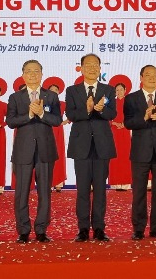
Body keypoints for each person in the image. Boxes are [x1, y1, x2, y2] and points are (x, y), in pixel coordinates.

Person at [6, 60, 62, 243]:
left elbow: (57, 120)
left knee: (44, 191)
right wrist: (30, 115)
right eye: (29, 71)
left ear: (41, 74)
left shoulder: (51, 96)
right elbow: (11, 122)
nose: (32, 74)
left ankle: (41, 230)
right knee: (21, 191)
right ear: (23, 75)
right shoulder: (15, 97)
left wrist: (42, 114)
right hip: (23, 150)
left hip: (45, 149)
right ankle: (23, 230)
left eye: (36, 71)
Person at [65, 53, 117, 242]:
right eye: (88, 65)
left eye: (96, 65)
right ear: (81, 68)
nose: (92, 68)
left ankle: (99, 228)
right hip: (81, 145)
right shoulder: (72, 90)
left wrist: (100, 109)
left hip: (102, 145)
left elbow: (113, 113)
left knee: (101, 190)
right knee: (83, 189)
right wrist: (87, 110)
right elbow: (70, 113)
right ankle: (83, 229)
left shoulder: (108, 90)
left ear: (100, 68)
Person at [123, 65, 156, 240]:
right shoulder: (131, 99)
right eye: (148, 75)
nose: (152, 78)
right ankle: (138, 229)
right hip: (140, 152)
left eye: (155, 75)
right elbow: (128, 123)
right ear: (141, 78)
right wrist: (144, 118)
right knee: (139, 192)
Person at [43, 77, 69, 192]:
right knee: (46, 155)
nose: (54, 91)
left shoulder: (63, 104)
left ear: (59, 92)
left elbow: (73, 113)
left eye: (56, 89)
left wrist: (65, 121)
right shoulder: (43, 102)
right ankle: (47, 183)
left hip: (58, 131)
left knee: (58, 155)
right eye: (51, 89)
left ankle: (58, 183)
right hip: (46, 130)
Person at [108, 75, 133, 191]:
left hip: (127, 130)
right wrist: (113, 123)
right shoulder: (110, 102)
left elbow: (134, 115)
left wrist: (126, 123)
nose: (119, 92)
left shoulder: (130, 102)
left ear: (125, 90)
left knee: (126, 156)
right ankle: (115, 183)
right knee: (115, 157)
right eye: (117, 90)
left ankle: (126, 183)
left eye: (121, 90)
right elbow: (106, 116)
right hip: (114, 132)